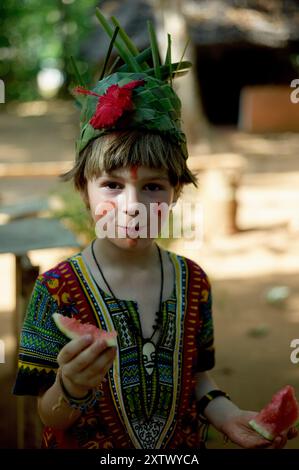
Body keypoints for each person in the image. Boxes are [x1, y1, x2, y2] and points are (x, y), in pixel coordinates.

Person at [13, 10, 297, 450]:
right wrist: (70, 386)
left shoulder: (193, 281)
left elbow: (196, 378)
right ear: (83, 192)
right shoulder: (55, 291)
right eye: (111, 186)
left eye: (152, 187)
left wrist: (230, 418)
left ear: (176, 194)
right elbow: (47, 411)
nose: (131, 206)